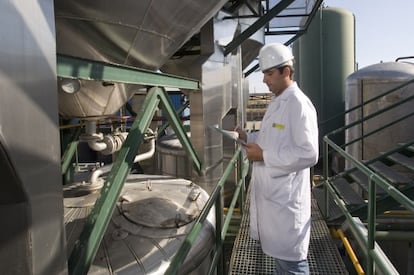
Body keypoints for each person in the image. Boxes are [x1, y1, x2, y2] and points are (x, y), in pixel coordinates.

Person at [236, 43, 319, 274]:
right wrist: (248, 136)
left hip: (286, 205)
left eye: (269, 73)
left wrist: (263, 155)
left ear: (287, 71)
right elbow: (271, 137)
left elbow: (309, 153)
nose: (264, 80)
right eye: (263, 73)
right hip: (274, 199)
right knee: (282, 264)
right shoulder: (277, 102)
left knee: (292, 266)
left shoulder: (298, 104)